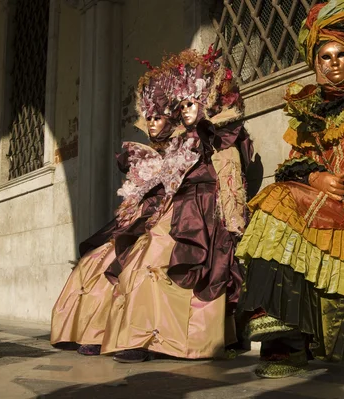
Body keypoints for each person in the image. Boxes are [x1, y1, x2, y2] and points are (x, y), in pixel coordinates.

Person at [235, 0, 344, 378]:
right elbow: (293, 164)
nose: (332, 63)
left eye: (340, 55)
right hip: (318, 199)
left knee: (283, 209)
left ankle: (298, 344)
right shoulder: (310, 111)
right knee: (274, 202)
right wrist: (315, 177)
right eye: (324, 57)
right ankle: (281, 339)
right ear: (315, 63)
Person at [102, 48, 253, 363]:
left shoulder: (222, 142)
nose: (184, 111)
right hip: (176, 214)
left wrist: (233, 224)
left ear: (207, 105)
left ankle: (190, 341)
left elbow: (230, 182)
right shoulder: (179, 145)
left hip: (209, 215)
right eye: (181, 105)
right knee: (144, 266)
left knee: (200, 274)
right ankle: (143, 338)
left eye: (191, 104)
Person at [49, 63, 181, 356]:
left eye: (158, 118)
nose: (152, 124)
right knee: (95, 259)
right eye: (149, 118)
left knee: (134, 262)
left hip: (169, 220)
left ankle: (133, 336)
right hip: (137, 222)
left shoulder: (183, 152)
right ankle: (91, 331)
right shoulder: (142, 154)